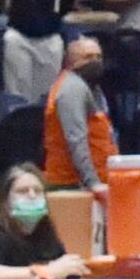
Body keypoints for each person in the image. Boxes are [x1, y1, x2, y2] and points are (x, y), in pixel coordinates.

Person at [0, 164, 89, 279]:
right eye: (22, 191)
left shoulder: (46, 236)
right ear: (5, 201)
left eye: (38, 191)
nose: (32, 195)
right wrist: (45, 272)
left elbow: (62, 272)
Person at [41, 35, 114, 194]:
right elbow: (76, 138)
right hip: (71, 185)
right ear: (71, 61)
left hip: (92, 182)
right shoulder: (72, 88)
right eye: (88, 57)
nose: (95, 61)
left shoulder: (90, 88)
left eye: (98, 57)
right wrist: (92, 182)